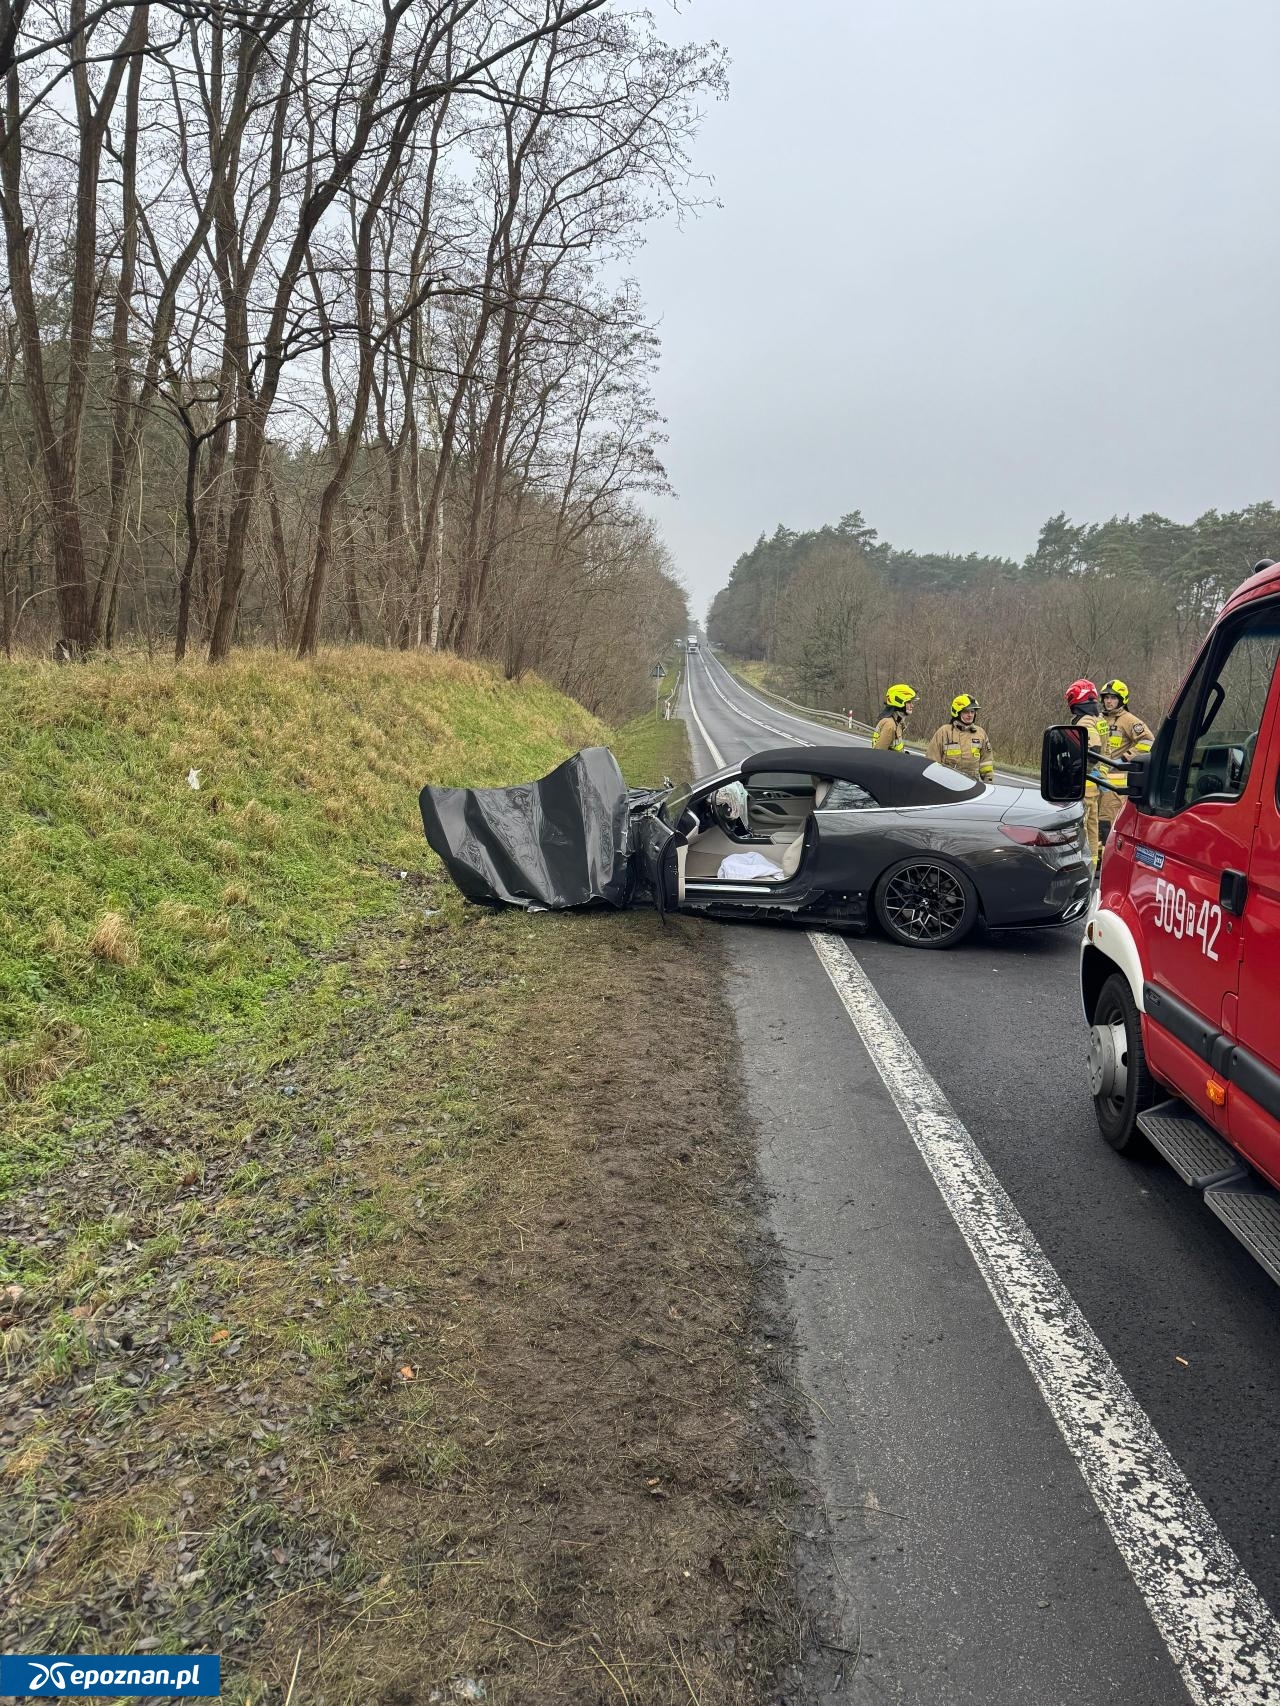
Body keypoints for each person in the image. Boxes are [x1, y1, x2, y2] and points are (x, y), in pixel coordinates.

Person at [1097, 679, 1152, 842]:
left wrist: (1125, 758)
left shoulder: (1129, 720)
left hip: (1115, 779)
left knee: (1107, 817)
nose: (1108, 701)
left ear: (1122, 700)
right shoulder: (1099, 719)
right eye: (1106, 697)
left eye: (1113, 698)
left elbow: (1148, 741)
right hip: (1096, 775)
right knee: (1092, 816)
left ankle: (1106, 851)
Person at [1065, 678, 1108, 866]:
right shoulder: (1100, 720)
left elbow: (1094, 748)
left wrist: (1080, 771)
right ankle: (1090, 865)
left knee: (1079, 828)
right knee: (1092, 827)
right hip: (1095, 786)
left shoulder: (1085, 721)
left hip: (1084, 785)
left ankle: (1078, 865)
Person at [926, 693, 995, 783]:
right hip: (946, 784)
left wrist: (989, 783)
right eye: (966, 711)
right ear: (957, 712)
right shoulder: (944, 732)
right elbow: (931, 760)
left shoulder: (980, 734)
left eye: (972, 712)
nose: (970, 715)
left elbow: (986, 764)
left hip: (971, 785)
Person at [874, 683, 917, 752]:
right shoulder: (890, 725)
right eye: (909, 702)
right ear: (899, 701)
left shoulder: (897, 723)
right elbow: (879, 755)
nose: (912, 706)